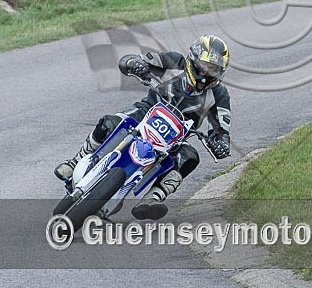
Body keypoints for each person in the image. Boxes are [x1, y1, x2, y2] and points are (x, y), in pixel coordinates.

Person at [55, 35, 233, 220]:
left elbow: (222, 129)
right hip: (146, 111)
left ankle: (153, 198)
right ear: (194, 59)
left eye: (213, 69)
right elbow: (132, 60)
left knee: (189, 157)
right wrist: (134, 63)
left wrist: (220, 143)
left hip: (177, 137)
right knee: (109, 122)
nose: (206, 73)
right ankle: (76, 161)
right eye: (204, 66)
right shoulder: (173, 61)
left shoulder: (219, 94)